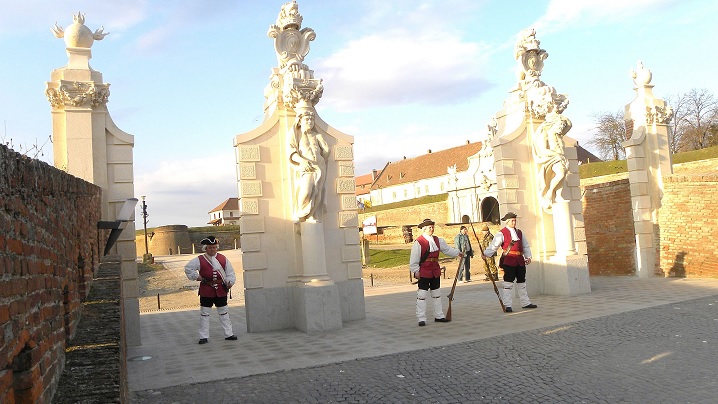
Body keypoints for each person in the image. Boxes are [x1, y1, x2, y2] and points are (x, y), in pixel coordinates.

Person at [184, 236, 238, 344]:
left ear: (216, 247)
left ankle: (229, 334)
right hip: (206, 289)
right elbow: (188, 268)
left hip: (221, 290)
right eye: (210, 247)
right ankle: (203, 336)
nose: (212, 249)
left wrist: (229, 282)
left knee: (224, 312)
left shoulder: (223, 258)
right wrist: (197, 277)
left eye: (214, 247)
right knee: (205, 313)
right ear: (206, 248)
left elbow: (230, 273)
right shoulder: (199, 259)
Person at [410, 218, 463, 326]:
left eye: (433, 227)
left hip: (435, 270)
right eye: (430, 227)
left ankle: (439, 316)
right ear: (424, 229)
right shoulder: (419, 242)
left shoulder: (438, 240)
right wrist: (415, 270)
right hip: (424, 270)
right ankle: (421, 318)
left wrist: (457, 253)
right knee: (422, 295)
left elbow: (447, 250)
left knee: (436, 294)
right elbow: (414, 258)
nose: (432, 229)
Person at [483, 212, 537, 313]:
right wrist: (486, 254)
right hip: (509, 261)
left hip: (520, 260)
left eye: (515, 220)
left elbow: (525, 245)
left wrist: (528, 256)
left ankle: (525, 302)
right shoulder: (502, 233)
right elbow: (494, 246)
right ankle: (507, 304)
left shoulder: (520, 232)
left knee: (522, 282)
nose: (514, 222)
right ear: (507, 222)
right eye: (512, 220)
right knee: (508, 283)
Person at [289, 110, 330, 223]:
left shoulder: (317, 135)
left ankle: (311, 215)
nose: (310, 121)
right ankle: (301, 214)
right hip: (306, 167)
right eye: (307, 119)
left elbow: (326, 150)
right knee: (306, 190)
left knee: (318, 192)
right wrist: (302, 161)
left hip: (319, 166)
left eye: (312, 119)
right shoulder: (295, 135)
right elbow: (292, 153)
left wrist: (324, 156)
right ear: (300, 121)